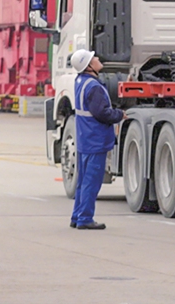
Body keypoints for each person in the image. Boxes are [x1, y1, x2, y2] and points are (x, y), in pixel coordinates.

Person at [69, 49, 125, 230]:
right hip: (96, 140)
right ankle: (85, 218)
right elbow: (102, 113)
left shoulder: (80, 82)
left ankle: (77, 216)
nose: (98, 58)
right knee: (91, 182)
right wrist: (120, 115)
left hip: (85, 139)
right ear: (89, 66)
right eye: (94, 58)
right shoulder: (93, 87)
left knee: (83, 181)